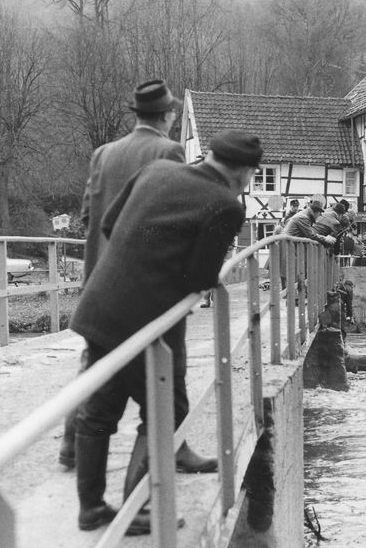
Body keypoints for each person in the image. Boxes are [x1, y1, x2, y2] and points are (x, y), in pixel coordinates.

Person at [69, 129, 262, 534]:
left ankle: (91, 509)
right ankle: (137, 509)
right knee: (165, 411)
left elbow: (107, 224)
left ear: (208, 155)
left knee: (100, 411)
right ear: (245, 174)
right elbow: (201, 276)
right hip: (144, 322)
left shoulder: (156, 169)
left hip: (99, 305)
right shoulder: (225, 205)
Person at [61, 79, 215, 477]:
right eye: (174, 115)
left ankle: (70, 447)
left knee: (96, 366)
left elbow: (86, 216)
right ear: (166, 116)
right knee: (171, 365)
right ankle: (174, 449)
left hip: (99, 278)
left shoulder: (102, 153)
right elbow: (175, 215)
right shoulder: (168, 150)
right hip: (145, 281)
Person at [279, 200, 335, 289]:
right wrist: (325, 238)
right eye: (319, 213)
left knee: (293, 273)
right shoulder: (303, 217)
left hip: (290, 245)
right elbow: (311, 234)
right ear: (314, 212)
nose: (319, 216)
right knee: (293, 273)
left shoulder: (305, 215)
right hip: (287, 245)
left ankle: (294, 298)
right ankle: (293, 299)